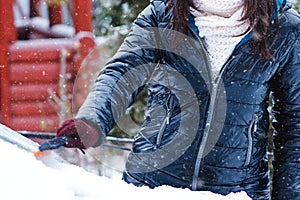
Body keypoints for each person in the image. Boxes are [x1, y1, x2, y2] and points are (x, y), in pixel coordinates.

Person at [55, 0, 300, 199]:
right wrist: (92, 119)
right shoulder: (163, 14)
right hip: (153, 188)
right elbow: (123, 71)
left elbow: (295, 125)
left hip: (237, 192)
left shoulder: (285, 29)